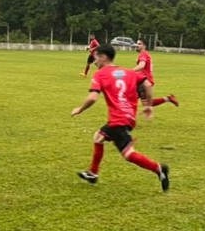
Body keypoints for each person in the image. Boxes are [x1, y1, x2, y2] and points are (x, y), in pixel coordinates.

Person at [71, 44, 169, 192]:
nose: (94, 61)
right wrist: (148, 105)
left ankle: (158, 169)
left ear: (103, 57)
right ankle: (93, 173)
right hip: (128, 117)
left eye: (95, 57)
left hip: (118, 120)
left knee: (129, 154)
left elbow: (92, 98)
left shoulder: (101, 74)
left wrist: (80, 109)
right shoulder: (127, 72)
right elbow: (147, 84)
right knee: (98, 137)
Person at [134, 39, 179, 108]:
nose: (137, 45)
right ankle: (168, 98)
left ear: (144, 46)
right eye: (137, 43)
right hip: (144, 80)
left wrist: (129, 72)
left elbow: (141, 66)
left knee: (129, 98)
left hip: (143, 81)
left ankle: (125, 115)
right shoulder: (145, 54)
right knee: (146, 103)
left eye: (139, 44)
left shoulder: (143, 54)